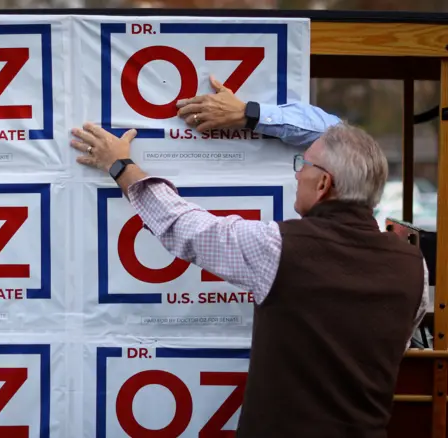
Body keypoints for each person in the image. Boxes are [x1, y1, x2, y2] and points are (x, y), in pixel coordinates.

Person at [71, 75, 429, 438]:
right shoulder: (414, 267)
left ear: (323, 185)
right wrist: (249, 114)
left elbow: (184, 226)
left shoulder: (279, 248)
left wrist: (121, 167)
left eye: (302, 166)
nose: (297, 175)